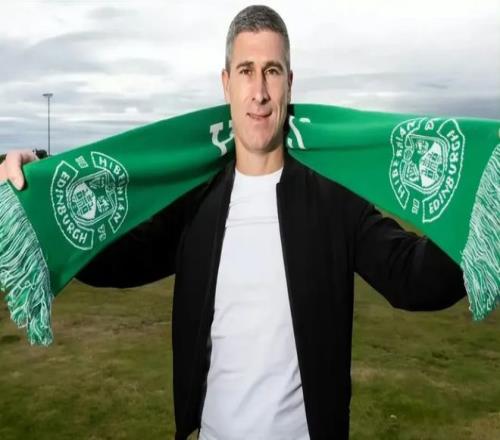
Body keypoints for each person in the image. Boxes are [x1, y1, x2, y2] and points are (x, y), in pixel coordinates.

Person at [0, 5, 466, 440]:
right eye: (246, 71)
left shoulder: (332, 197)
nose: (259, 92)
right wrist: (36, 190)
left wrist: (479, 210)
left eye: (272, 71)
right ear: (226, 84)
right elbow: (115, 258)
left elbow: (412, 278)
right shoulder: (197, 201)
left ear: (289, 83)